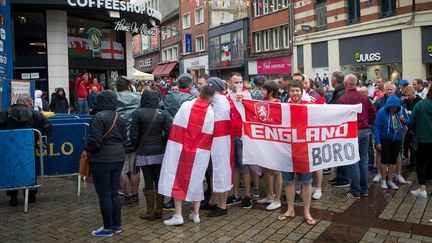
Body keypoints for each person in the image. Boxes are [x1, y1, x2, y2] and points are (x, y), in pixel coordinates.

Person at [161, 85, 217, 226]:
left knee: (177, 179)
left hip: (180, 149)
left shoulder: (186, 105)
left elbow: (177, 124)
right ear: (211, 98)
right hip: (199, 153)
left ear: (199, 93)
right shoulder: (211, 112)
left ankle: (178, 214)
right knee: (196, 179)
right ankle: (196, 214)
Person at [84, 91, 127, 237]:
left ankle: (107, 229)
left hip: (102, 159)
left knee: (104, 194)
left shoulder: (98, 116)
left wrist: (87, 150)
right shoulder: (119, 116)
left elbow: (94, 140)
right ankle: (116, 226)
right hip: (119, 157)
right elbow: (124, 137)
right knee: (114, 192)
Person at [0, 96, 52, 206]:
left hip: (10, 149)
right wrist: (41, 137)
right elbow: (47, 124)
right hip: (28, 147)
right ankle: (31, 195)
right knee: (29, 168)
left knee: (12, 169)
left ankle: (13, 197)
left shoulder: (4, 113)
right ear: (26, 103)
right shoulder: (33, 113)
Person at [278, 80, 315, 226]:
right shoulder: (283, 108)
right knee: (288, 182)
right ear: (289, 92)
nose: (295, 93)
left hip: (304, 151)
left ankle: (306, 211)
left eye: (297, 91)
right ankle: (290, 209)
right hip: (286, 150)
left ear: (302, 91)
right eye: (292, 91)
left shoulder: (311, 107)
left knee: (306, 182)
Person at [130, 90, 172, 220]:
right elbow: (170, 131)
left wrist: (136, 146)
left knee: (148, 181)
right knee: (159, 180)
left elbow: (134, 135)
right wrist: (162, 142)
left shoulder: (138, 113)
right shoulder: (163, 113)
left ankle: (150, 212)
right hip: (160, 151)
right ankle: (159, 210)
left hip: (144, 152)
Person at [338, 74, 376, 198]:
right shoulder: (364, 97)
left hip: (351, 132)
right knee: (363, 161)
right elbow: (373, 112)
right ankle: (364, 190)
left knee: (353, 162)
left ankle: (355, 191)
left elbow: (338, 118)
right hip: (365, 131)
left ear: (345, 84)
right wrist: (367, 122)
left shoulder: (343, 99)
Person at [226, 72, 253, 209]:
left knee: (244, 167)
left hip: (242, 135)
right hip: (230, 136)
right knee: (235, 167)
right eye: (235, 82)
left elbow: (250, 114)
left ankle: (247, 195)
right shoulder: (225, 97)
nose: (238, 85)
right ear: (229, 83)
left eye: (240, 82)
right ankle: (236, 195)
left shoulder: (247, 95)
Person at [373, 81, 407, 184]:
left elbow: (406, 118)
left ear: (395, 90)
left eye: (391, 89)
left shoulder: (400, 102)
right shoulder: (379, 102)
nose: (389, 91)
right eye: (387, 89)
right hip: (383, 135)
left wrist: (404, 121)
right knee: (379, 152)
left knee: (397, 153)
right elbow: (375, 119)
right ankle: (379, 174)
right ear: (384, 90)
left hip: (397, 134)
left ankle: (398, 174)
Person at [257, 81, 283, 210]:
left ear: (271, 92)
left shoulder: (278, 105)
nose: (262, 92)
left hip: (275, 144)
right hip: (264, 143)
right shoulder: (261, 104)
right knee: (265, 170)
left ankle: (277, 199)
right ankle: (269, 196)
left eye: (264, 90)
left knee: (276, 172)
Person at [115, 76, 141, 206]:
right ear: (129, 86)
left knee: (123, 170)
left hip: (119, 139)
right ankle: (136, 195)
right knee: (135, 169)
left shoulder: (114, 98)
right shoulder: (137, 97)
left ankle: (127, 196)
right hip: (135, 139)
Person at [327, 72, 349, 187]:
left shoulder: (340, 93)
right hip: (338, 127)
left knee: (341, 153)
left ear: (334, 80)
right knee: (338, 153)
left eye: (331, 78)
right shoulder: (339, 91)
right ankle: (340, 176)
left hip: (340, 127)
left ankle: (343, 178)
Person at [409, 88, 432, 198]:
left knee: (421, 164)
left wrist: (415, 131)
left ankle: (422, 189)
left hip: (422, 139)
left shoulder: (420, 105)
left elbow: (412, 122)